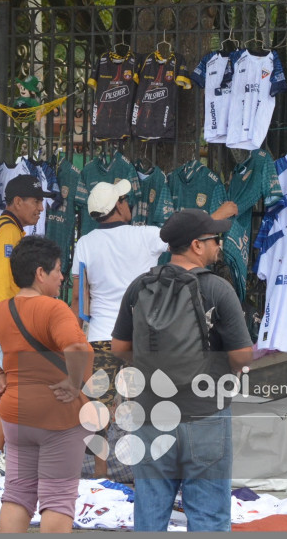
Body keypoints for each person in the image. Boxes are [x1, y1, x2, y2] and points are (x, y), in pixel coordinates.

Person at [111, 209, 253, 531]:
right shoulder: (217, 290)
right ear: (196, 245)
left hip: (149, 414)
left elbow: (119, 348)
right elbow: (242, 356)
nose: (219, 244)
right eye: (214, 239)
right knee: (208, 514)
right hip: (205, 413)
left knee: (150, 510)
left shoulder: (139, 287)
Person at [0, 235, 93, 533]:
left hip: (16, 416)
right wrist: (72, 383)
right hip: (57, 416)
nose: (61, 277)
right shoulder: (54, 309)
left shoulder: (3, 310)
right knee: (57, 500)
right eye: (58, 269)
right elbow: (76, 349)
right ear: (40, 273)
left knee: (18, 495)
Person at [70, 178, 168, 478]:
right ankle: (143, 473)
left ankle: (101, 474)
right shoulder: (146, 236)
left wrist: (75, 338)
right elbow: (184, 235)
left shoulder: (85, 243)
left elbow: (77, 296)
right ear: (119, 206)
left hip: (99, 336)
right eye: (125, 200)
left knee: (99, 409)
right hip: (138, 337)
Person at [0, 174, 54, 478]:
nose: (41, 208)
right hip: (2, 323)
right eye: (35, 201)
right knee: (10, 390)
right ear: (18, 202)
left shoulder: (0, 228)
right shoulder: (8, 233)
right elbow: (3, 283)